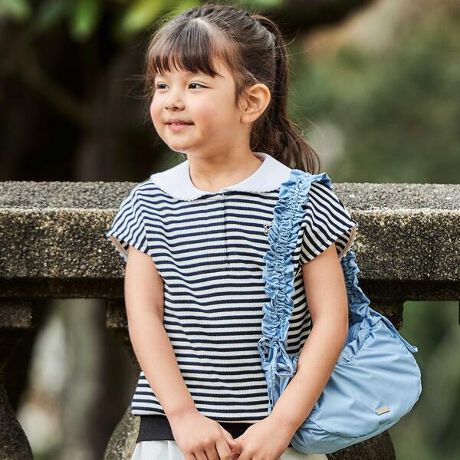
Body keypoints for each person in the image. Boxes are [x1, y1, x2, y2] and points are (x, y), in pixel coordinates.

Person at [106, 3, 358, 459]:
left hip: (278, 435)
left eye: (195, 85)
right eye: (162, 85)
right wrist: (183, 416)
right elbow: (143, 314)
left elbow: (330, 321)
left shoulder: (303, 199)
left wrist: (282, 423)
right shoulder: (149, 202)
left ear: (251, 102)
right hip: (176, 434)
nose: (173, 100)